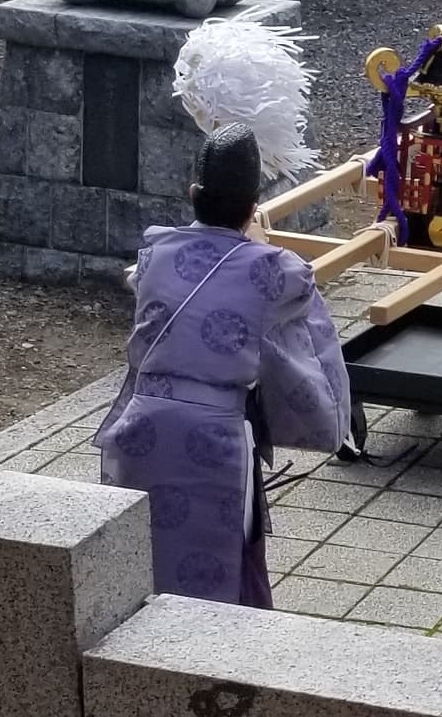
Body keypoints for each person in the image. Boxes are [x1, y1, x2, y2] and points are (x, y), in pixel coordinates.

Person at [95, 124, 352, 607]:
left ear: (192, 194)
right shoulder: (274, 268)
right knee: (218, 578)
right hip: (213, 439)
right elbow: (304, 327)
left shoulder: (155, 254)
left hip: (140, 429)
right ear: (254, 205)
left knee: (140, 561)